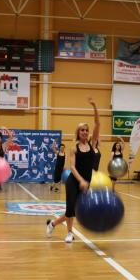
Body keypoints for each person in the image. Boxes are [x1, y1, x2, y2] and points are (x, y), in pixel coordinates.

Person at [46, 98, 99, 243]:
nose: (85, 132)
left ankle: (53, 224)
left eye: (86, 130)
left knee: (74, 211)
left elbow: (98, 124)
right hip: (73, 181)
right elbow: (72, 167)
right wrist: (81, 180)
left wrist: (94, 106)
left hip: (86, 182)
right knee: (70, 208)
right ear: (78, 132)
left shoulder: (92, 144)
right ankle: (69, 233)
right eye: (82, 130)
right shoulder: (74, 147)